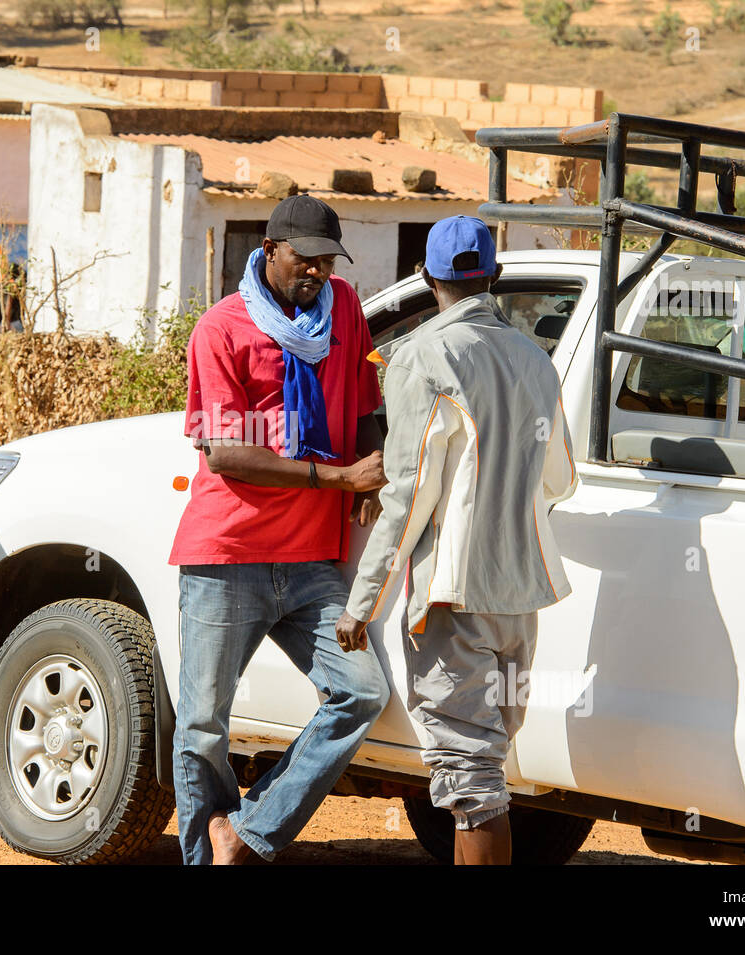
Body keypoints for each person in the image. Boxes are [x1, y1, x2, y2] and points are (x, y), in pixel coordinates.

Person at [335, 216, 578, 865]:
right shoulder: (535, 358)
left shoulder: (420, 355)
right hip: (520, 600)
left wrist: (361, 603)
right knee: (487, 770)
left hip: (455, 599)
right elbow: (559, 477)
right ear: (493, 276)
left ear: (426, 277)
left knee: (472, 788)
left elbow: (410, 494)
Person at [168, 194, 391, 865]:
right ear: (270, 248)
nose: (319, 273)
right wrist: (337, 479)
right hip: (228, 554)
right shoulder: (221, 329)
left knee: (362, 692)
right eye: (306, 258)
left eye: (329, 261)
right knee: (204, 725)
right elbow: (227, 453)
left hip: (309, 563)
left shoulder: (345, 308)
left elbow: (368, 398)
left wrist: (372, 474)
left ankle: (247, 830)